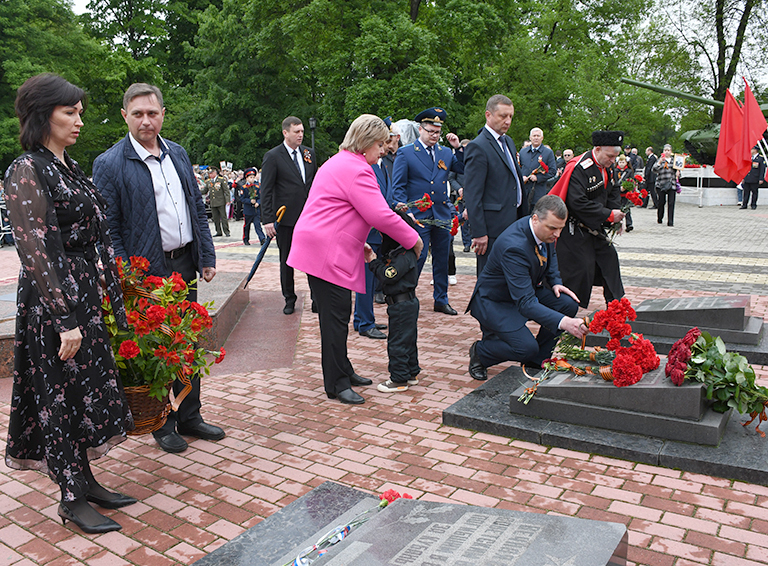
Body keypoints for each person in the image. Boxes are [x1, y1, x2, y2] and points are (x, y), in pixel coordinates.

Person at [4, 73, 135, 534]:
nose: (79, 119)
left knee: (80, 393)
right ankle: (69, 497)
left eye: (79, 111)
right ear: (43, 116)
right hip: (53, 301)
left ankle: (86, 480)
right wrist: (65, 318)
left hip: (82, 292)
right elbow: (35, 249)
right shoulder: (27, 169)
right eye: (70, 111)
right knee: (56, 395)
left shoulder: (67, 166)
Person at [93, 83, 224, 454]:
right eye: (138, 114)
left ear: (163, 114)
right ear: (125, 117)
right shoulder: (109, 163)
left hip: (184, 264)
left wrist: (207, 256)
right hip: (145, 273)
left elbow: (197, 208)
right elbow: (109, 226)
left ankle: (190, 415)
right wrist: (126, 275)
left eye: (152, 113)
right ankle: (162, 422)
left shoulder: (178, 154)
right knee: (157, 349)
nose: (146, 121)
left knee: (188, 343)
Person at [288, 115, 422, 405]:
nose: (384, 150)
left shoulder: (342, 161)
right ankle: (336, 384)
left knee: (336, 315)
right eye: (380, 144)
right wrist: (414, 238)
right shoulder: (357, 169)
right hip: (326, 249)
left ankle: (343, 371)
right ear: (365, 143)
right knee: (335, 319)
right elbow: (379, 214)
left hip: (323, 246)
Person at [466, 196, 587, 380]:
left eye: (561, 229)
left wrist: (555, 281)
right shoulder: (514, 247)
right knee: (525, 348)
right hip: (495, 301)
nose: (557, 234)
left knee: (566, 305)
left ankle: (537, 361)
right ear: (536, 219)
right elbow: (525, 303)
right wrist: (566, 323)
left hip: (523, 289)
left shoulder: (541, 229)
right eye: (553, 228)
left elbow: (551, 251)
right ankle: (481, 353)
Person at [392, 107, 464, 315]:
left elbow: (462, 169)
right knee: (417, 257)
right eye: (430, 131)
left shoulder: (446, 152)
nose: (434, 136)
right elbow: (398, 187)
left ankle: (441, 299)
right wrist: (405, 211)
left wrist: (457, 148)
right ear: (421, 130)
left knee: (442, 259)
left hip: (441, 214)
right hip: (419, 215)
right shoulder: (406, 152)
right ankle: (407, 296)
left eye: (437, 132)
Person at [550, 130, 625, 308]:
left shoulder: (608, 166)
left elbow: (613, 191)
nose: (613, 161)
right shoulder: (579, 168)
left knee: (610, 261)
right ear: (597, 149)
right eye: (610, 156)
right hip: (574, 230)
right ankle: (562, 313)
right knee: (579, 272)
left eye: (616, 157)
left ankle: (616, 308)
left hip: (594, 227)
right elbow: (578, 203)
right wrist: (608, 215)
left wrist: (615, 215)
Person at [260, 116, 318, 315]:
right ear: (285, 133)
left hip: (309, 217)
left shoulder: (309, 153)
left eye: (302, 131)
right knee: (287, 261)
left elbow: (313, 184)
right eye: (297, 132)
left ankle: (316, 297)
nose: (301, 135)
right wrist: (267, 219)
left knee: (313, 259)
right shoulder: (273, 156)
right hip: (285, 219)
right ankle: (289, 298)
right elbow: (266, 189)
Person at [463, 95, 524, 276]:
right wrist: (479, 232)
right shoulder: (478, 146)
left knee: (509, 274)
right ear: (488, 115)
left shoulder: (508, 142)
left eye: (511, 116)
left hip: (513, 221)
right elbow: (473, 194)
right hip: (492, 228)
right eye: (503, 116)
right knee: (489, 278)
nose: (508, 121)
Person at [368, 210, 422, 393]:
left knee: (398, 341)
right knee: (407, 339)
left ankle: (399, 379)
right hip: (404, 304)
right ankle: (411, 372)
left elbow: (388, 275)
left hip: (402, 305)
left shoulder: (404, 255)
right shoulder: (401, 252)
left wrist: (373, 263)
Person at [353, 150, 391, 340]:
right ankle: (365, 323)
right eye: (382, 142)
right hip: (369, 233)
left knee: (369, 280)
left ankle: (362, 318)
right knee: (366, 282)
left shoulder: (381, 164)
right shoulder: (368, 165)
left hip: (378, 233)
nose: (385, 147)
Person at [519, 127, 557, 213]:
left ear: (542, 138)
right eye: (534, 136)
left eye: (538, 136)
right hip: (524, 190)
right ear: (530, 137)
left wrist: (538, 178)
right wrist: (521, 176)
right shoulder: (523, 152)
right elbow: (519, 167)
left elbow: (552, 171)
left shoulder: (548, 152)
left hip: (538, 191)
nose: (536, 138)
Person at [238, 167, 266, 245]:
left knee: (258, 225)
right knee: (247, 226)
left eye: (253, 177)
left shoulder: (257, 187)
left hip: (256, 210)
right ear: (246, 178)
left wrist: (258, 202)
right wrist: (249, 201)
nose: (252, 179)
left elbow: (260, 197)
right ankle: (246, 239)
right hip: (248, 210)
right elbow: (242, 199)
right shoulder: (244, 188)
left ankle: (262, 239)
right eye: (250, 177)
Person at [652, 144, 678, 226]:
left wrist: (678, 172)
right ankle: (660, 217)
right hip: (661, 184)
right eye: (665, 150)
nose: (667, 152)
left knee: (671, 203)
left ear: (671, 152)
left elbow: (678, 170)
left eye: (668, 150)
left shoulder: (674, 161)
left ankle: (670, 221)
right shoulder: (660, 160)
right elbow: (654, 169)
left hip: (672, 184)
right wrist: (659, 162)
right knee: (661, 202)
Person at [202, 167, 230, 237]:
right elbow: (205, 191)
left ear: (215, 173)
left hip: (221, 201)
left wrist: (227, 200)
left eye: (211, 173)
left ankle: (226, 231)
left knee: (223, 217)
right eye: (209, 174)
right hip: (213, 202)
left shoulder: (221, 180)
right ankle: (218, 231)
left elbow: (226, 191)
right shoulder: (209, 181)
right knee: (215, 218)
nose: (210, 175)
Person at [615, 154, 635, 232]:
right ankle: (617, 224)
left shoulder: (629, 171)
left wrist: (626, 187)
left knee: (627, 209)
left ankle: (629, 224)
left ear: (626, 163)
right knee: (618, 209)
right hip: (618, 193)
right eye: (620, 162)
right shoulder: (615, 171)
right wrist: (619, 187)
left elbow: (631, 180)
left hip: (626, 194)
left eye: (623, 162)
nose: (621, 164)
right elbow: (614, 181)